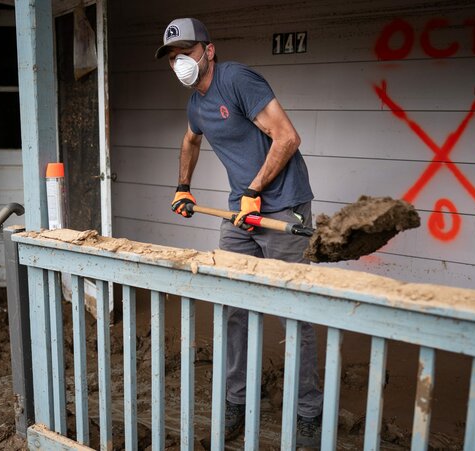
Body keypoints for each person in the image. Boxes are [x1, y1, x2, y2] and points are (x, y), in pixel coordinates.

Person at [156, 18, 323, 447]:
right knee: (233, 307)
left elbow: (287, 137)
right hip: (240, 214)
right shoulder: (196, 103)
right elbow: (191, 140)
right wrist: (183, 186)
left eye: (187, 53)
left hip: (282, 206)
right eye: (173, 57)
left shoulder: (237, 80)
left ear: (209, 51)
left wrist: (253, 191)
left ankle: (308, 411)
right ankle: (237, 399)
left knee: (295, 311)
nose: (180, 63)